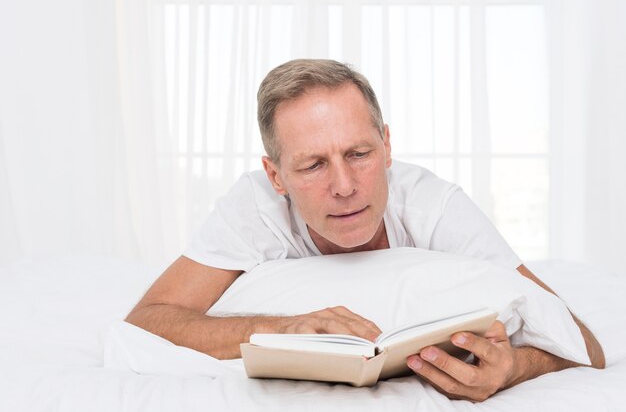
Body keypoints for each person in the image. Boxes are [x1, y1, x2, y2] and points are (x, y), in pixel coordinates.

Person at [126, 59, 605, 402]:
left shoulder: (434, 206)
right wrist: (281, 329)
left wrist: (515, 369)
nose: (345, 186)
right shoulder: (253, 208)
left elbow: (585, 344)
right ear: (276, 178)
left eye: (359, 154)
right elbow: (149, 319)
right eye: (313, 165)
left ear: (387, 145)